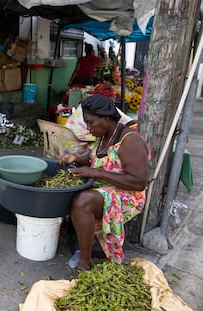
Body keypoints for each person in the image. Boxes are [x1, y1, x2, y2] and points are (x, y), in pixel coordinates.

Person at [58, 94, 150, 271]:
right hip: (106, 188)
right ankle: (78, 242)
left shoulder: (130, 140)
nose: (88, 127)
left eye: (91, 122)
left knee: (83, 200)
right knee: (70, 190)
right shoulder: (104, 136)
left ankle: (85, 262)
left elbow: (139, 182)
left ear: (106, 118)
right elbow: (97, 161)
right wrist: (75, 158)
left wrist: (95, 173)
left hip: (128, 196)